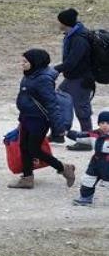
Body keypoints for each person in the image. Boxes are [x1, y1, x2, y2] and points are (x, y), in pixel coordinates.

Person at [8, 49, 76, 189]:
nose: (22, 64)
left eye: (25, 61)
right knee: (23, 147)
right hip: (27, 117)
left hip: (38, 120)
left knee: (34, 149)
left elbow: (52, 104)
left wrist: (58, 128)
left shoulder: (43, 79)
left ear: (35, 62)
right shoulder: (31, 74)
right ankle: (27, 178)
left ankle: (64, 168)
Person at [53, 8, 95, 151]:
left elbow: (72, 62)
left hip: (81, 79)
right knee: (57, 99)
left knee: (82, 110)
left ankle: (86, 141)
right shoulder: (72, 34)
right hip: (73, 77)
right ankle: (58, 133)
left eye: (59, 21)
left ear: (65, 23)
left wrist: (54, 70)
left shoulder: (79, 39)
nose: (57, 23)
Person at [70, 111, 109, 206]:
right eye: (102, 123)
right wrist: (67, 132)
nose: (105, 125)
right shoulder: (94, 134)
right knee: (88, 179)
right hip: (95, 162)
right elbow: (80, 136)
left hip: (107, 163)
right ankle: (86, 198)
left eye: (108, 123)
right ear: (99, 124)